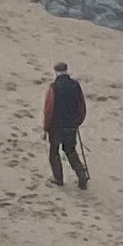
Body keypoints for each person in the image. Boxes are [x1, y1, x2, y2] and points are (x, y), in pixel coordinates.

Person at [43, 60, 89, 191]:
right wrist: (78, 121)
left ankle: (58, 178)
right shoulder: (75, 85)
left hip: (56, 126)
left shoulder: (54, 87)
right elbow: (81, 106)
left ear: (56, 72)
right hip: (71, 125)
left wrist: (46, 127)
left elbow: (49, 109)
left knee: (54, 151)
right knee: (70, 150)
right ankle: (81, 174)